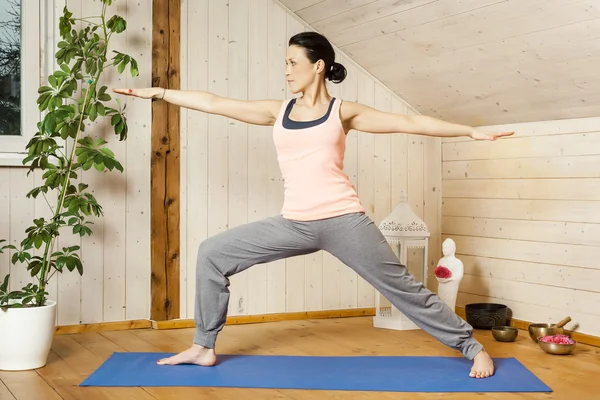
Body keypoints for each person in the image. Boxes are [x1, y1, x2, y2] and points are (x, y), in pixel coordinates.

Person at [114, 31, 513, 379]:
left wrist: (470, 131)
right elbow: (216, 102)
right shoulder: (278, 111)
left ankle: (472, 346)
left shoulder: (344, 113)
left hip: (344, 221)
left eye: (292, 62)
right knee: (212, 253)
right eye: (284, 63)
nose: (286, 71)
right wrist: (160, 93)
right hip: (295, 222)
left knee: (402, 288)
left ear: (318, 66)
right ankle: (203, 347)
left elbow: (410, 122)